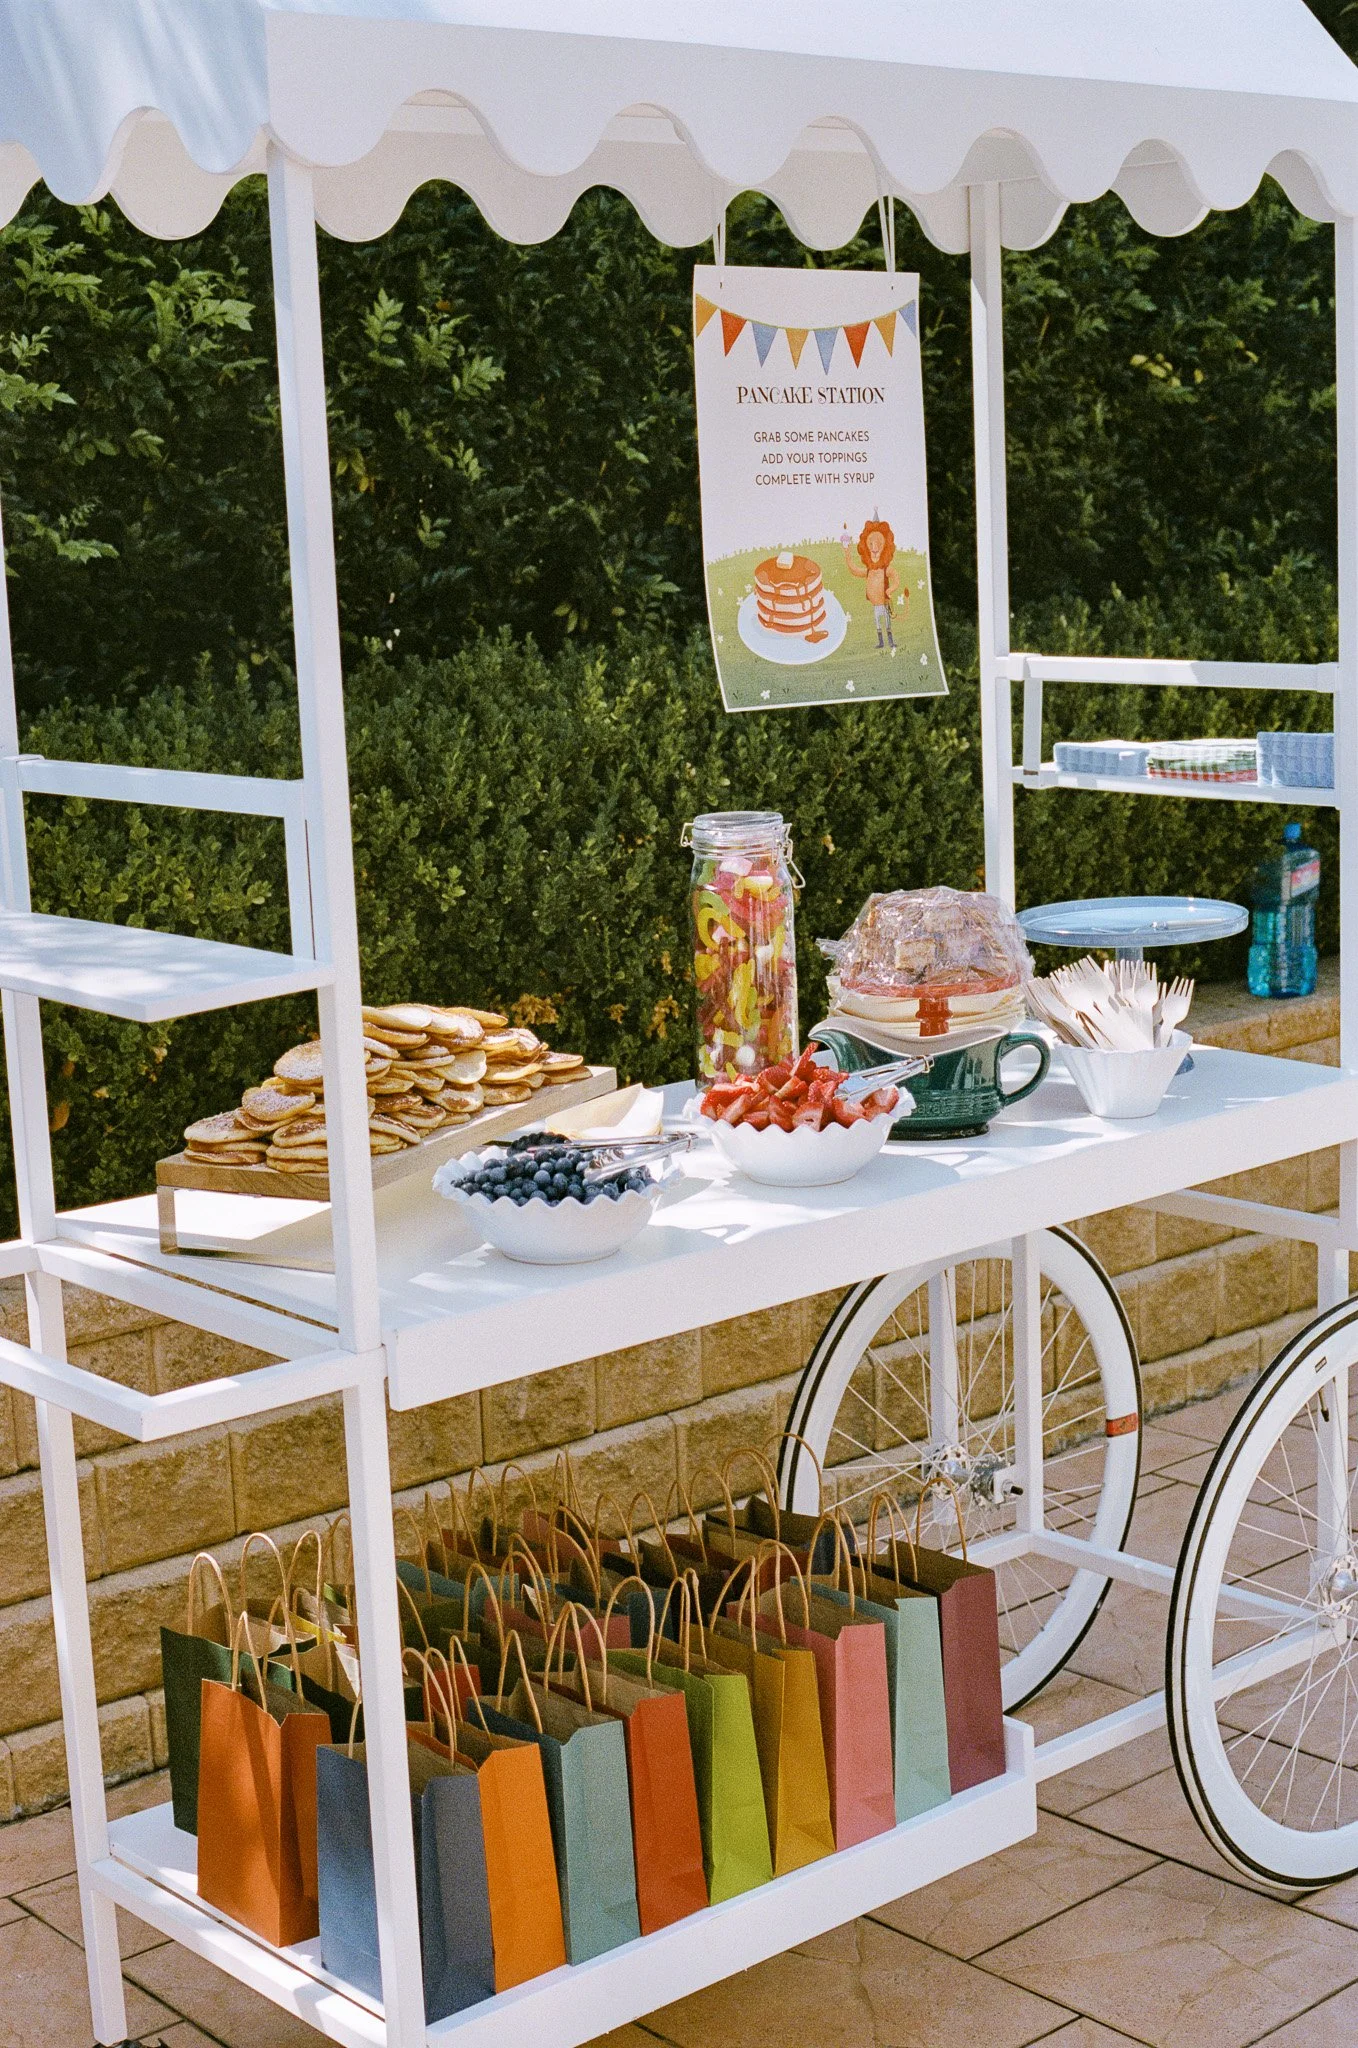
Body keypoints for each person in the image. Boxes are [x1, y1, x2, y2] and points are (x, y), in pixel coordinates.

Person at [841, 517, 903, 653]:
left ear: (886, 547)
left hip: (885, 603)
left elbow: (896, 578)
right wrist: (847, 553)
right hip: (876, 605)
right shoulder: (869, 570)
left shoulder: (886, 570)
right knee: (878, 622)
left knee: (887, 622)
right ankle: (881, 642)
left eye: (879, 544)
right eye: (871, 544)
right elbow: (854, 570)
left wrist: (891, 590)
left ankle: (891, 641)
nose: (874, 549)